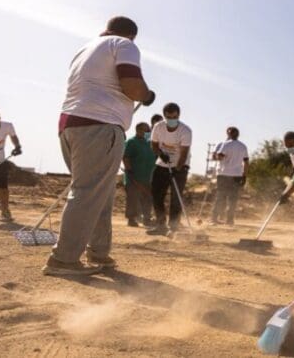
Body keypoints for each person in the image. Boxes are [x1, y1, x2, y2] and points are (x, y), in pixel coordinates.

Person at [43, 16, 155, 276]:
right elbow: (132, 86)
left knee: (100, 194)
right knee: (88, 193)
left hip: (70, 125)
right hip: (100, 126)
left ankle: (99, 252)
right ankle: (64, 259)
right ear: (132, 35)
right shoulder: (124, 44)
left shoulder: (86, 49)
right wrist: (147, 95)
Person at [147, 103, 192, 236]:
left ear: (178, 115)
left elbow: (184, 154)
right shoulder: (158, 127)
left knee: (176, 196)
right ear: (165, 116)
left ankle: (174, 227)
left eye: (174, 117)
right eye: (169, 117)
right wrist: (161, 154)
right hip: (162, 163)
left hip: (180, 165)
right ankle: (160, 225)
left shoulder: (185, 131)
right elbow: (154, 145)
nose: (171, 119)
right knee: (156, 194)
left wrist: (177, 169)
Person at [210, 127, 249, 225]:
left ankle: (214, 219)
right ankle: (229, 220)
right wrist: (244, 175)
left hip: (224, 173)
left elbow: (220, 157)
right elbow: (246, 162)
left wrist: (215, 155)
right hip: (237, 174)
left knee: (220, 196)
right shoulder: (243, 146)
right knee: (233, 198)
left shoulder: (225, 144)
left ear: (228, 134)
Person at [122, 122, 156, 227]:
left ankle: (147, 218)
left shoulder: (150, 143)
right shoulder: (131, 142)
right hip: (134, 177)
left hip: (148, 177)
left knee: (148, 198)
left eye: (149, 131)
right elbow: (126, 157)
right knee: (133, 198)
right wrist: (130, 172)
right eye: (146, 130)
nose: (148, 132)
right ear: (138, 130)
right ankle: (131, 219)